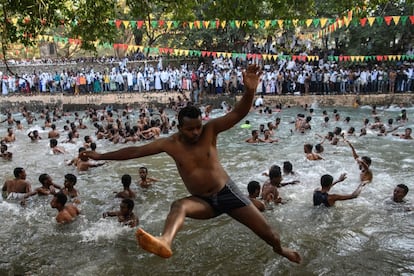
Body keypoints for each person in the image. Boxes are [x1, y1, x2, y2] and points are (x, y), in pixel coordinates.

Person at [82, 65, 301, 263]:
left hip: (227, 193)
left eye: (198, 127)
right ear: (179, 128)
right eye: (190, 129)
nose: (196, 132)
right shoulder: (170, 144)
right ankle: (165, 241)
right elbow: (135, 151)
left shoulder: (210, 130)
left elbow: (238, 113)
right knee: (179, 205)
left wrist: (250, 91)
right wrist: (101, 156)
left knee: (271, 235)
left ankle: (280, 250)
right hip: (202, 201)